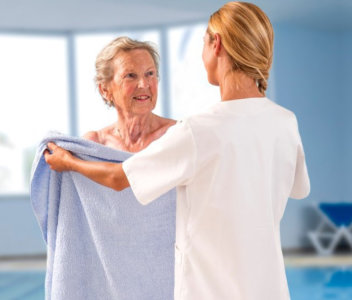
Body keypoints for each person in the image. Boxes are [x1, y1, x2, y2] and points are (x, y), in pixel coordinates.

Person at [44, 2, 310, 299]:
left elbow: (121, 178)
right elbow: (297, 189)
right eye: (131, 76)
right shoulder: (286, 122)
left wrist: (69, 162)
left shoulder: (198, 130)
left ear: (216, 44)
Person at [84, 36, 176, 152]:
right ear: (105, 91)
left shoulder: (177, 134)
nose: (143, 84)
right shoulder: (95, 143)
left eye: (150, 73)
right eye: (130, 76)